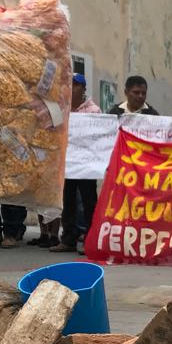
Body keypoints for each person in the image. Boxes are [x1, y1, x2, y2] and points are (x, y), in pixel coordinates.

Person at [52, 73, 100, 253]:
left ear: (84, 88)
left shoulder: (93, 110)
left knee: (89, 203)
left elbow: (97, 136)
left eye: (77, 85)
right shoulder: (62, 109)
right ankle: (68, 239)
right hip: (68, 164)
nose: (72, 89)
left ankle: (91, 239)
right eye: (70, 85)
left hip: (87, 164)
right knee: (68, 201)